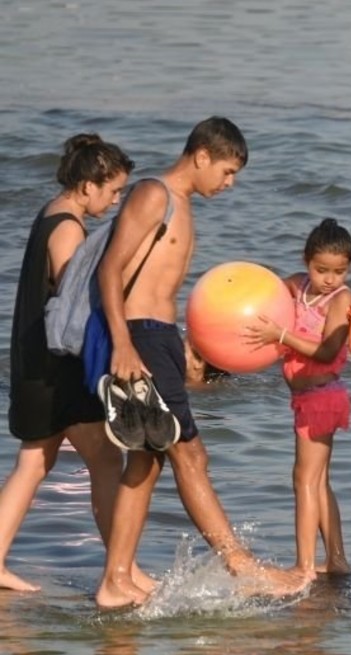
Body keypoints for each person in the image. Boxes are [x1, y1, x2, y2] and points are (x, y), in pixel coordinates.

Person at [93, 117, 308, 609]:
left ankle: (116, 578)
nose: (229, 184)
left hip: (163, 337)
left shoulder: (184, 205)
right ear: (202, 156)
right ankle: (241, 566)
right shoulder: (153, 195)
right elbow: (110, 268)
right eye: (228, 172)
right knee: (190, 455)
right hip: (141, 336)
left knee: (145, 461)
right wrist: (123, 345)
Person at [1, 135, 149, 592]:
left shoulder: (52, 210)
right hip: (58, 368)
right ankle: (121, 571)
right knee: (107, 461)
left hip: (35, 363)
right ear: (87, 186)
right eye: (113, 191)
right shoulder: (68, 227)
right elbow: (73, 301)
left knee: (33, 462)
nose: (117, 199)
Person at [244, 218, 351, 579]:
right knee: (318, 481)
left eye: (339, 271)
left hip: (323, 396)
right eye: (321, 269)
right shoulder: (299, 285)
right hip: (307, 397)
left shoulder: (341, 300)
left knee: (304, 480)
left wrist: (282, 335)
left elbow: (327, 350)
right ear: (306, 261)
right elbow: (267, 289)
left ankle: (304, 566)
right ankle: (336, 561)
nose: (329, 278)